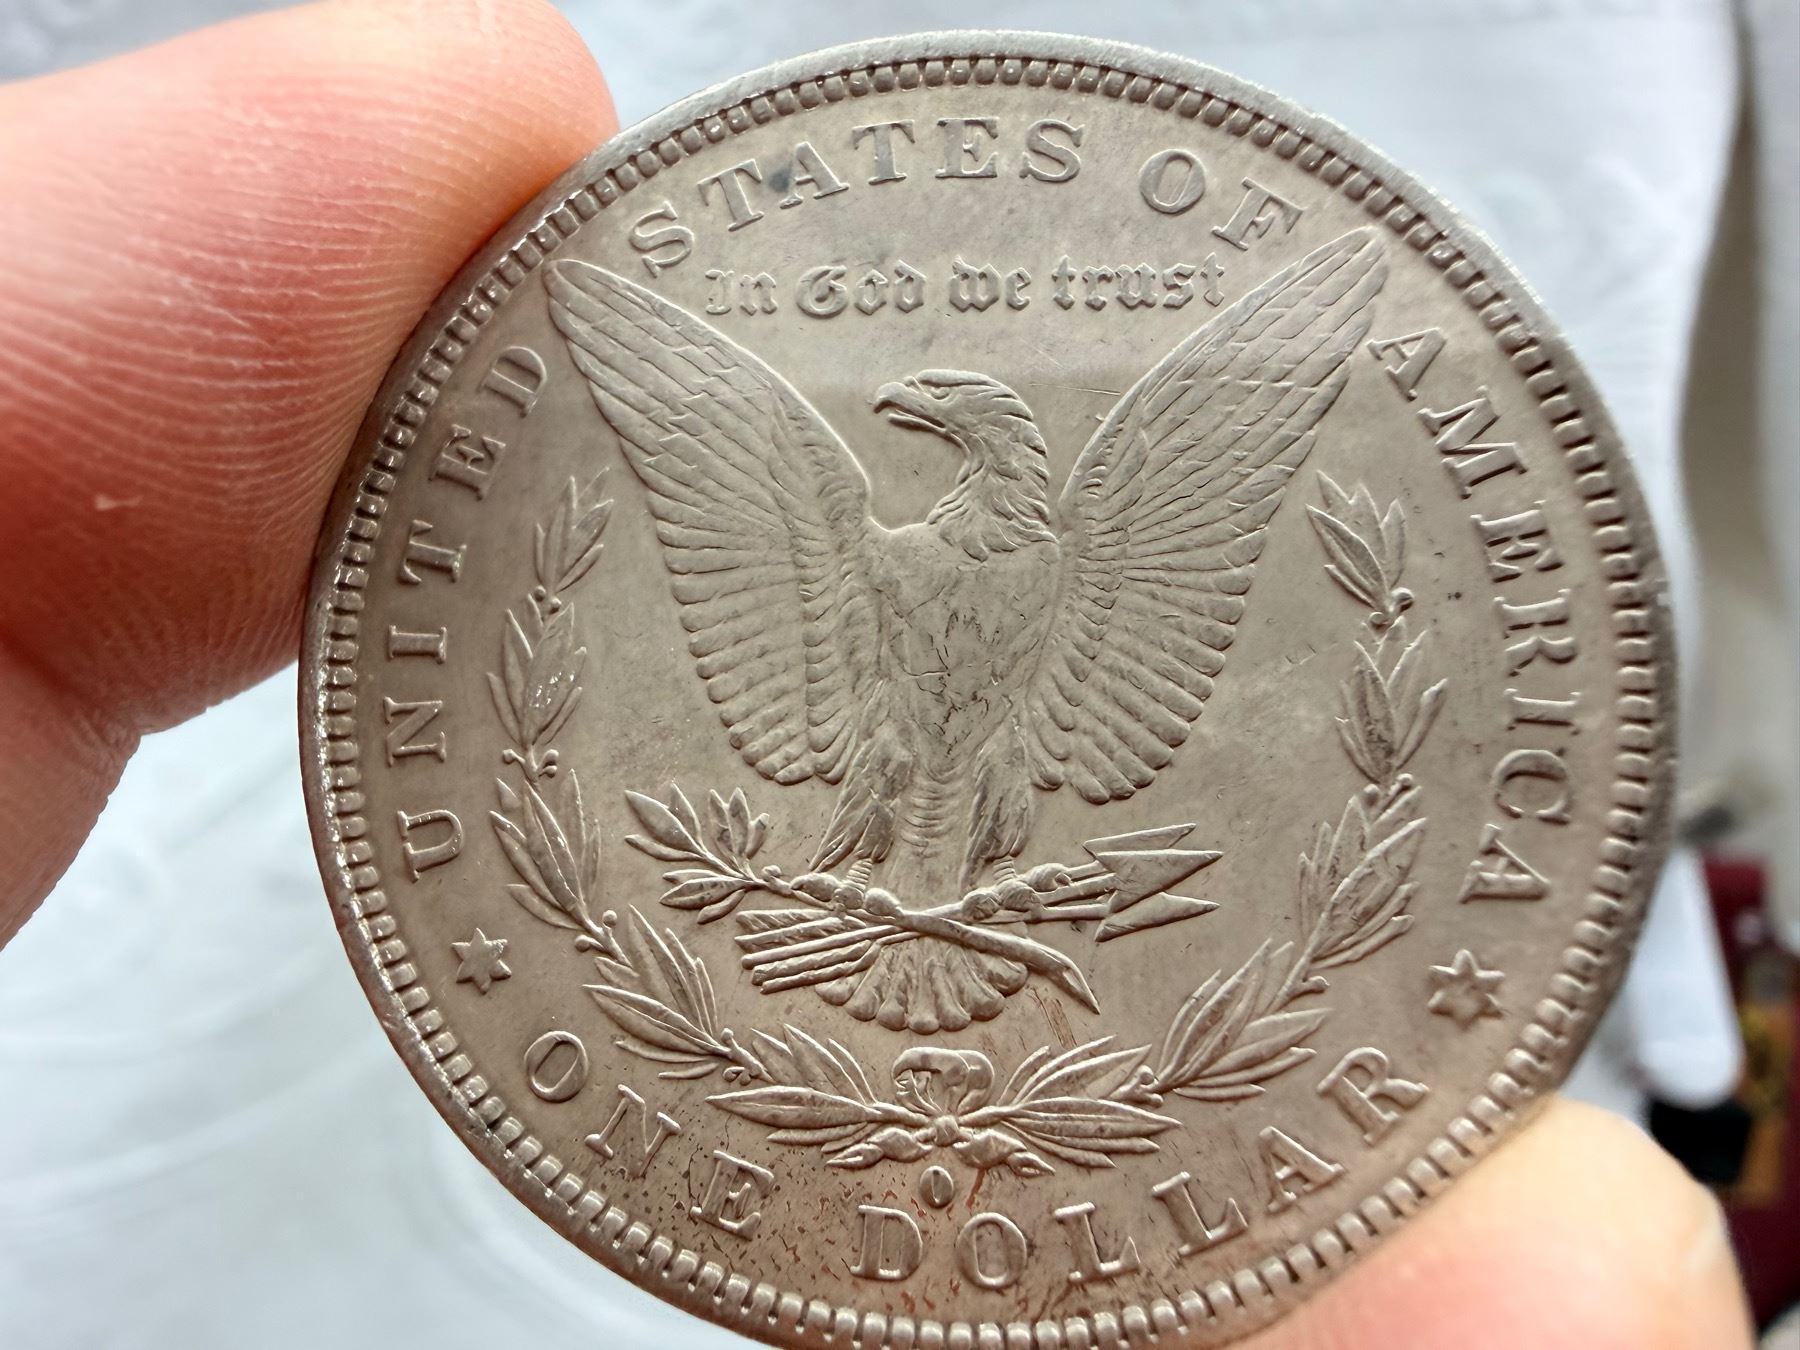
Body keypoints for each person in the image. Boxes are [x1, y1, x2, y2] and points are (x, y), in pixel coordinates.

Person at [0, 3, 1755, 1346]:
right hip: (840, 838)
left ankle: (963, 908)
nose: (921, 411)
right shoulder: (853, 537)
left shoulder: (1093, 543)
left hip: (1002, 833)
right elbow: (712, 436)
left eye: (951, 410)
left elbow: (1221, 432)